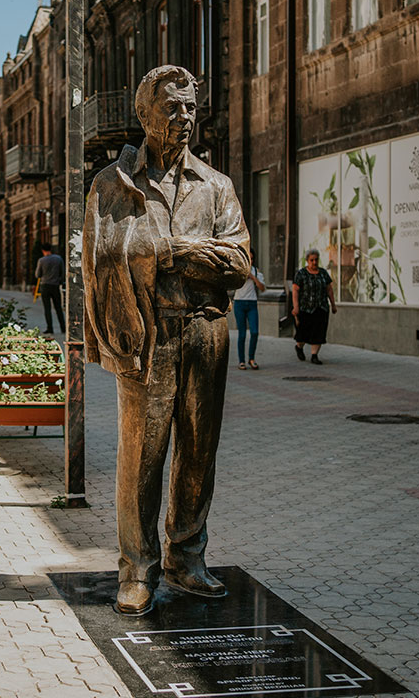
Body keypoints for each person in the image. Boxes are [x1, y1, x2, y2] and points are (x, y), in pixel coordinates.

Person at [83, 65, 250, 615]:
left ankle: (187, 558)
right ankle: (137, 568)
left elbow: (239, 262)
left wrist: (177, 253)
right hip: (146, 334)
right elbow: (101, 260)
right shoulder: (112, 184)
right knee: (142, 456)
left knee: (199, 451)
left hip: (207, 331)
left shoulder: (216, 186)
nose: (184, 118)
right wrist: (173, 255)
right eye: (171, 108)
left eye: (189, 108)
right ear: (145, 114)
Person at [292, 248, 337, 365]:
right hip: (305, 308)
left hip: (321, 307)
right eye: (311, 260)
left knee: (319, 332)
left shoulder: (323, 273)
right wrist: (296, 307)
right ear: (307, 260)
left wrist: (333, 304)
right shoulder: (301, 274)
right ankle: (299, 347)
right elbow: (295, 291)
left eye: (316, 260)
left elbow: (329, 289)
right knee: (303, 334)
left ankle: (314, 355)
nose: (314, 262)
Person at [232, 252, 265, 370]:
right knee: (242, 334)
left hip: (252, 303)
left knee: (255, 332)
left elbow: (262, 288)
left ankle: (252, 358)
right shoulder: (238, 270)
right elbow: (231, 285)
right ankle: (241, 361)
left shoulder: (256, 271)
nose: (250, 260)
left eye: (252, 258)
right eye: (248, 258)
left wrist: (253, 277)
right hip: (239, 302)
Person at [34, 243, 65, 335]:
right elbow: (62, 273)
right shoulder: (58, 259)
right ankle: (63, 327)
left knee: (47, 308)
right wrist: (59, 280)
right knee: (58, 307)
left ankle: (50, 328)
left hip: (45, 286)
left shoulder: (41, 260)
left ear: (43, 250)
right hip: (55, 285)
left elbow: (37, 275)